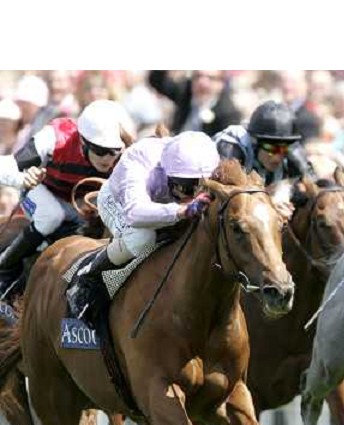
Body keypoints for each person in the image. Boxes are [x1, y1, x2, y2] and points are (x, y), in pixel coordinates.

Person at [66, 131, 220, 321]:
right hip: (118, 203)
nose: (192, 195)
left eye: (199, 187)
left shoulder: (204, 159)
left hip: (163, 206)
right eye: (186, 187)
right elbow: (134, 214)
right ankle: (88, 276)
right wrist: (181, 211)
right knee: (142, 238)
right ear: (167, 171)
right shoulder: (140, 160)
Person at [0, 99, 128, 299]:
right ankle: (5, 268)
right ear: (83, 141)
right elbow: (5, 166)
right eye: (100, 151)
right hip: (44, 194)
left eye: (114, 151)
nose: (108, 159)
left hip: (81, 207)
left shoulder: (126, 152)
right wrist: (22, 178)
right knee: (52, 215)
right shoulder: (55, 138)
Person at [214, 100, 316, 185]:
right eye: (271, 148)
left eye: (283, 149)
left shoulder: (292, 151)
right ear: (255, 142)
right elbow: (225, 193)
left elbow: (316, 194)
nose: (277, 157)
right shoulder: (232, 144)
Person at [148, 70, 241, 136]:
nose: (202, 82)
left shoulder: (229, 113)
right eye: (198, 76)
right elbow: (157, 81)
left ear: (222, 83)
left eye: (211, 78)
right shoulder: (185, 92)